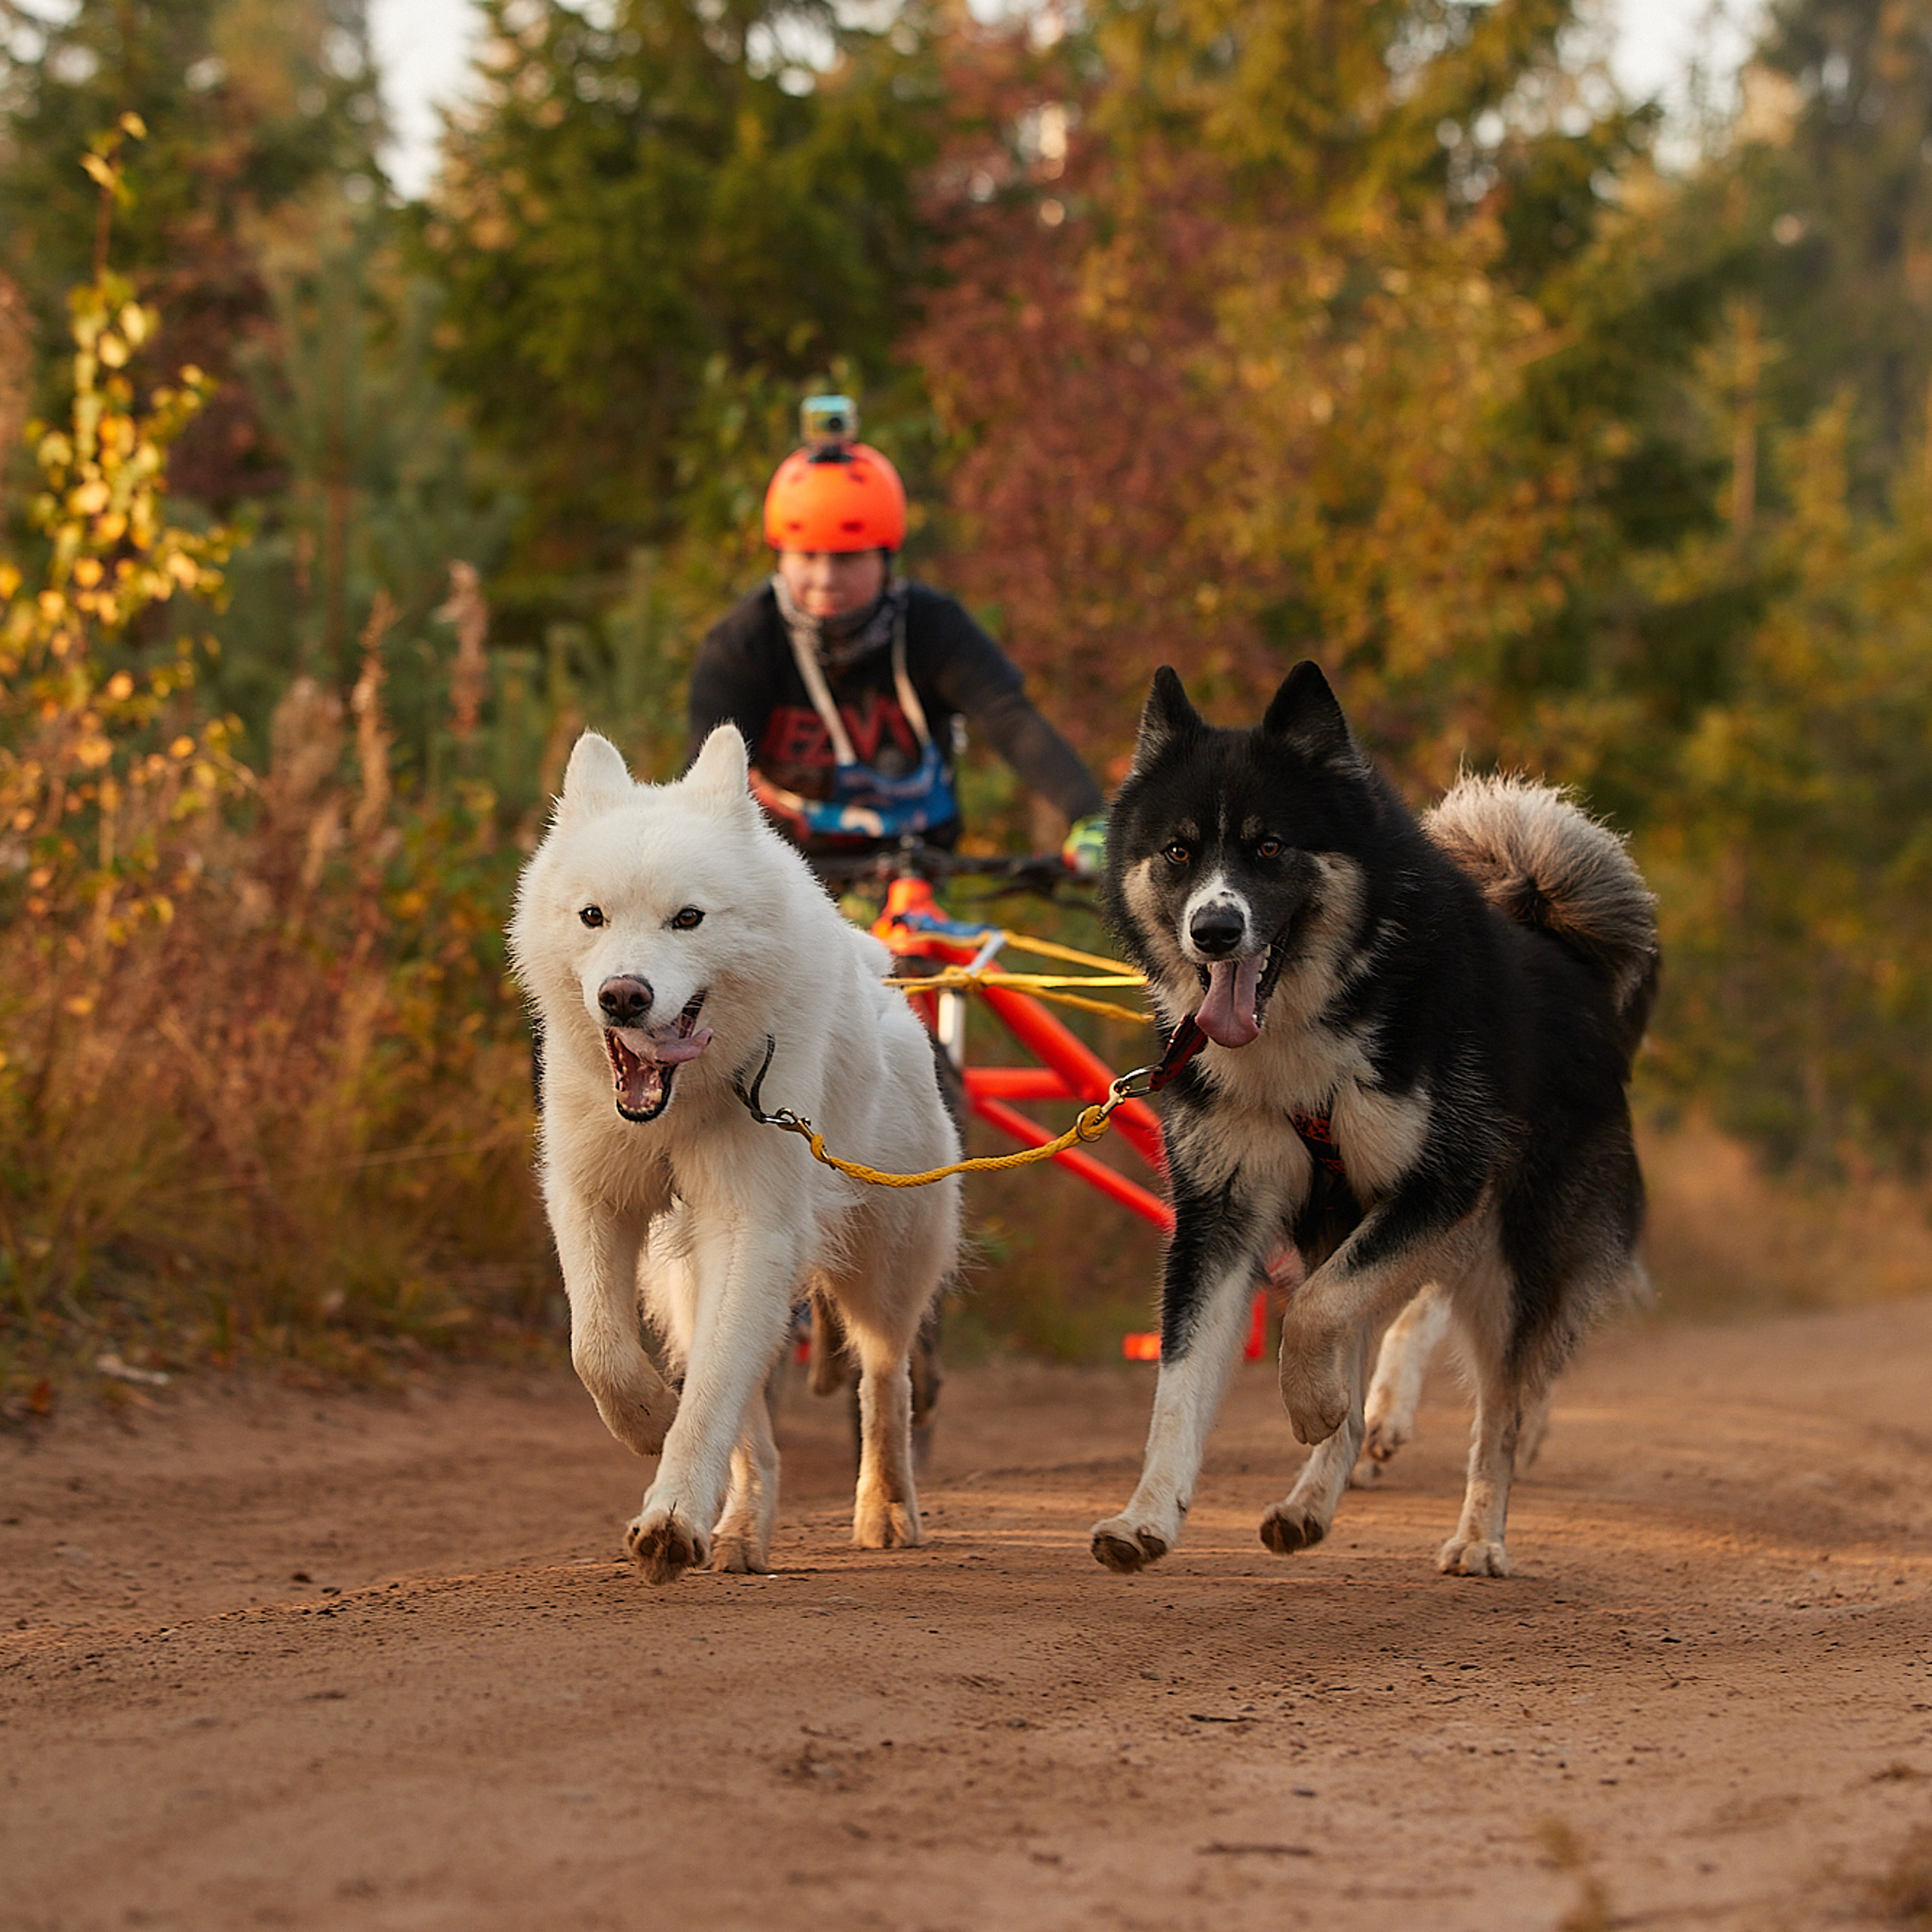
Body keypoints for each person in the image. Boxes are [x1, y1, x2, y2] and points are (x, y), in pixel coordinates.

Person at [686, 395, 1106, 872]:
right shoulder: (742, 645)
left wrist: (1089, 817)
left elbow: (1011, 722)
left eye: (846, 559)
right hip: (788, 875)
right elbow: (706, 781)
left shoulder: (933, 627)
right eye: (807, 557)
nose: (825, 580)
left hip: (917, 867)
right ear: (780, 555)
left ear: (885, 559)